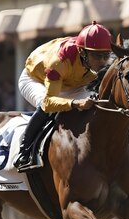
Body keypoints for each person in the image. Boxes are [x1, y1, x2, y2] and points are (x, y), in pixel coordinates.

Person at [14, 21, 113, 172]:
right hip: (36, 80)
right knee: (46, 108)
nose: (102, 62)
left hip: (72, 84)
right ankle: (24, 152)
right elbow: (48, 102)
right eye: (97, 56)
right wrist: (75, 103)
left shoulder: (97, 60)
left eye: (106, 56)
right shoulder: (59, 62)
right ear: (82, 52)